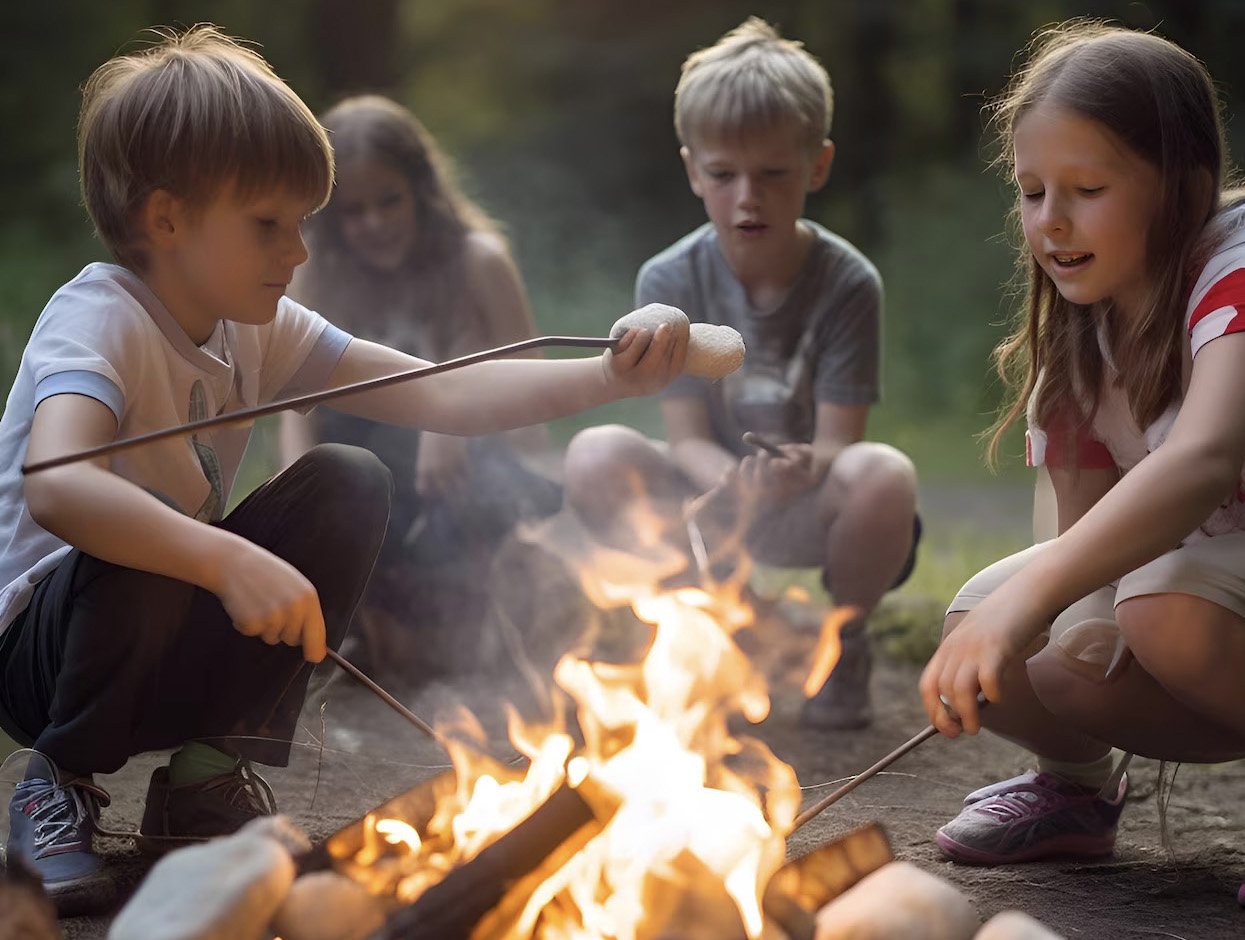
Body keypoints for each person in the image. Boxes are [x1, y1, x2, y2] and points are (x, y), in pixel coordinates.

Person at [0, 26, 684, 914]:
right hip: (40, 655)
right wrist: (225, 558)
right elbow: (60, 483)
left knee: (347, 478)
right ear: (167, 219)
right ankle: (57, 780)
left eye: (300, 224)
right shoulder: (99, 321)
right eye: (268, 225)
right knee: (142, 539)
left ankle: (206, 778)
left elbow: (442, 395)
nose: (299, 253)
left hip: (159, 639)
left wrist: (607, 374)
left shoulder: (257, 327)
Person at [918, 20, 1245, 922]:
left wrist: (1050, 601)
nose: (1051, 219)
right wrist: (1049, 627)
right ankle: (1077, 789)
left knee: (1162, 602)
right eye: (1031, 191)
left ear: (1184, 188)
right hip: (1234, 577)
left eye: (1087, 189)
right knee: (989, 623)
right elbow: (1078, 547)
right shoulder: (1081, 334)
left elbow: (1203, 463)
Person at [562, 17, 920, 732]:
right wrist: (731, 480)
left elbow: (842, 442)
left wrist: (797, 469)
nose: (747, 198)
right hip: (711, 495)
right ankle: (718, 632)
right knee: (595, 451)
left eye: (774, 175)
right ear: (694, 170)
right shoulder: (670, 276)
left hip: (807, 498)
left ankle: (843, 642)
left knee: (886, 474)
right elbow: (684, 431)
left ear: (817, 167)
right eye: (724, 176)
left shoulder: (849, 282)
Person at [280, 95, 561, 678]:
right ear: (330, 216)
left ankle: (472, 611)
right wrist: (292, 512)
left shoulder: (477, 262)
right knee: (351, 450)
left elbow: (534, 401)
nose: (375, 224)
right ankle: (374, 621)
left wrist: (454, 417)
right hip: (376, 487)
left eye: (390, 201)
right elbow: (298, 410)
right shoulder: (316, 275)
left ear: (421, 192)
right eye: (354, 211)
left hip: (474, 477)